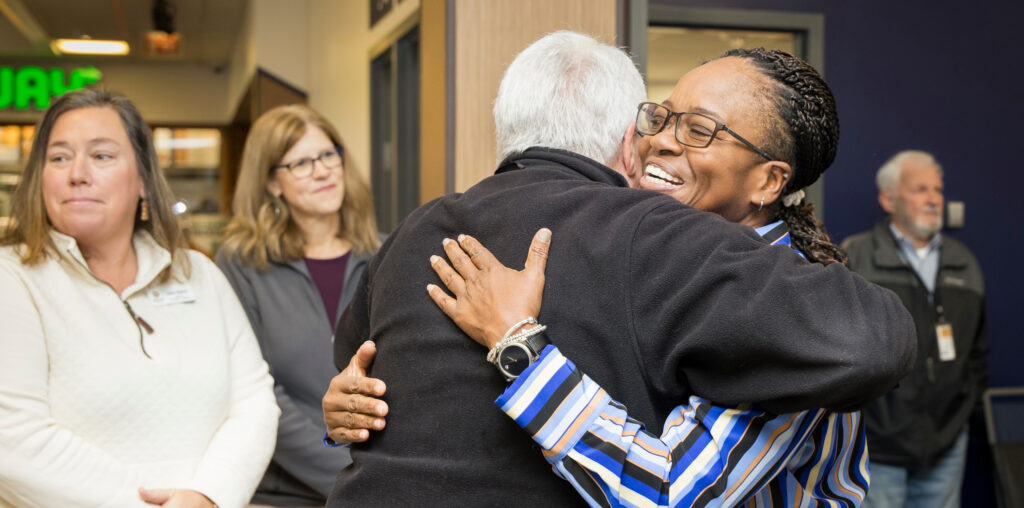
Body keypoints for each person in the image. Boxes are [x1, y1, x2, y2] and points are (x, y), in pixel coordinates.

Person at [326, 32, 914, 506]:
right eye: (661, 118)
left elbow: (669, 494)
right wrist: (354, 401)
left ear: (768, 181)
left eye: (699, 130)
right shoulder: (649, 250)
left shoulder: (791, 308)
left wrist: (519, 345)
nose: (659, 143)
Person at [0, 89, 279, 508]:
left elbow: (254, 403)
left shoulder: (198, 273)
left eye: (102, 156)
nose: (77, 173)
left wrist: (209, 496)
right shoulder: (12, 277)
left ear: (144, 180)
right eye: (59, 157)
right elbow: (13, 438)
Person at [215, 104, 380, 506]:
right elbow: (256, 393)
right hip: (284, 493)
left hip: (379, 479)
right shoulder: (241, 264)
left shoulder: (384, 254)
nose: (322, 171)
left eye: (328, 155)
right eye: (301, 164)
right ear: (272, 182)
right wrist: (349, 477)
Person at [841, 150, 988, 508]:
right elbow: (840, 349)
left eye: (938, 190)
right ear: (888, 199)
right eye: (920, 189)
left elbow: (978, 350)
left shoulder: (964, 261)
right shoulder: (855, 256)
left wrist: (962, 414)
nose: (934, 199)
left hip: (946, 442)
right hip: (877, 445)